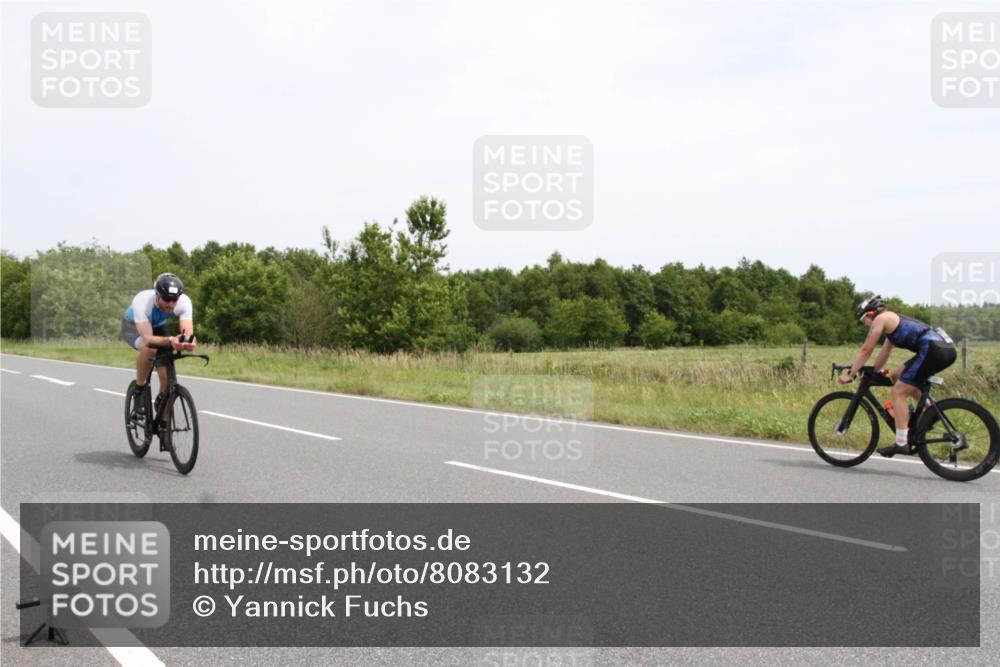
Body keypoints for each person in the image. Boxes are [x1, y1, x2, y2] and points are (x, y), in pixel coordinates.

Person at [838, 295, 956, 457]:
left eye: (863, 320)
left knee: (898, 392)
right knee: (896, 375)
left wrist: (850, 374)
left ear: (870, 314)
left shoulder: (881, 319)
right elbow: (885, 352)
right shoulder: (891, 321)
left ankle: (901, 443)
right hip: (939, 349)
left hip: (934, 350)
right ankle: (929, 412)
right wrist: (874, 370)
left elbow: (867, 349)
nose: (864, 324)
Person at [121, 273, 196, 416]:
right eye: (167, 299)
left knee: (167, 378)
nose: (171, 304)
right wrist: (170, 341)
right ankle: (139, 389)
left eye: (174, 300)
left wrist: (187, 341)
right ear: (157, 295)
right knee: (149, 349)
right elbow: (148, 338)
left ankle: (162, 410)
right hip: (133, 327)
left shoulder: (184, 301)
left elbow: (187, 332)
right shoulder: (143, 301)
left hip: (158, 326)